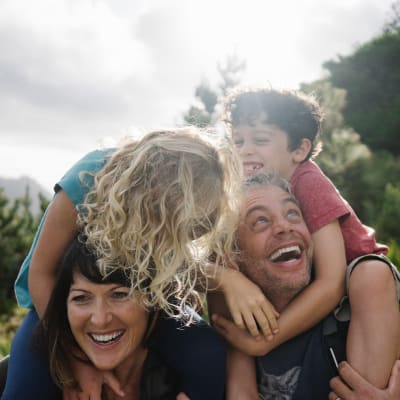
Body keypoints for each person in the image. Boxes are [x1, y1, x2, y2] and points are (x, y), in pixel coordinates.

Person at [1, 127, 241, 400]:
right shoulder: (88, 178)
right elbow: (42, 274)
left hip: (142, 303)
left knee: (208, 354)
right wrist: (77, 361)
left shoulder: (194, 207)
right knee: (24, 391)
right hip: (60, 309)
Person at [219, 87, 400, 389]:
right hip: (328, 291)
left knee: (370, 275)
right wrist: (223, 275)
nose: (244, 150)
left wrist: (263, 343)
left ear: (299, 150)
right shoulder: (244, 195)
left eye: (260, 140)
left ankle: (366, 389)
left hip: (359, 281)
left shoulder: (308, 182)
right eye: (238, 141)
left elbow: (331, 284)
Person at [211, 173, 400, 399]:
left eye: (292, 213)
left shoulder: (359, 305)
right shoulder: (238, 317)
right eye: (260, 220)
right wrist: (222, 276)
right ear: (233, 254)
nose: (284, 226)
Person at [37, 236, 184, 399]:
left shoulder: (194, 383)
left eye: (119, 295)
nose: (100, 319)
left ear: (152, 300)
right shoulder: (30, 383)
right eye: (81, 298)